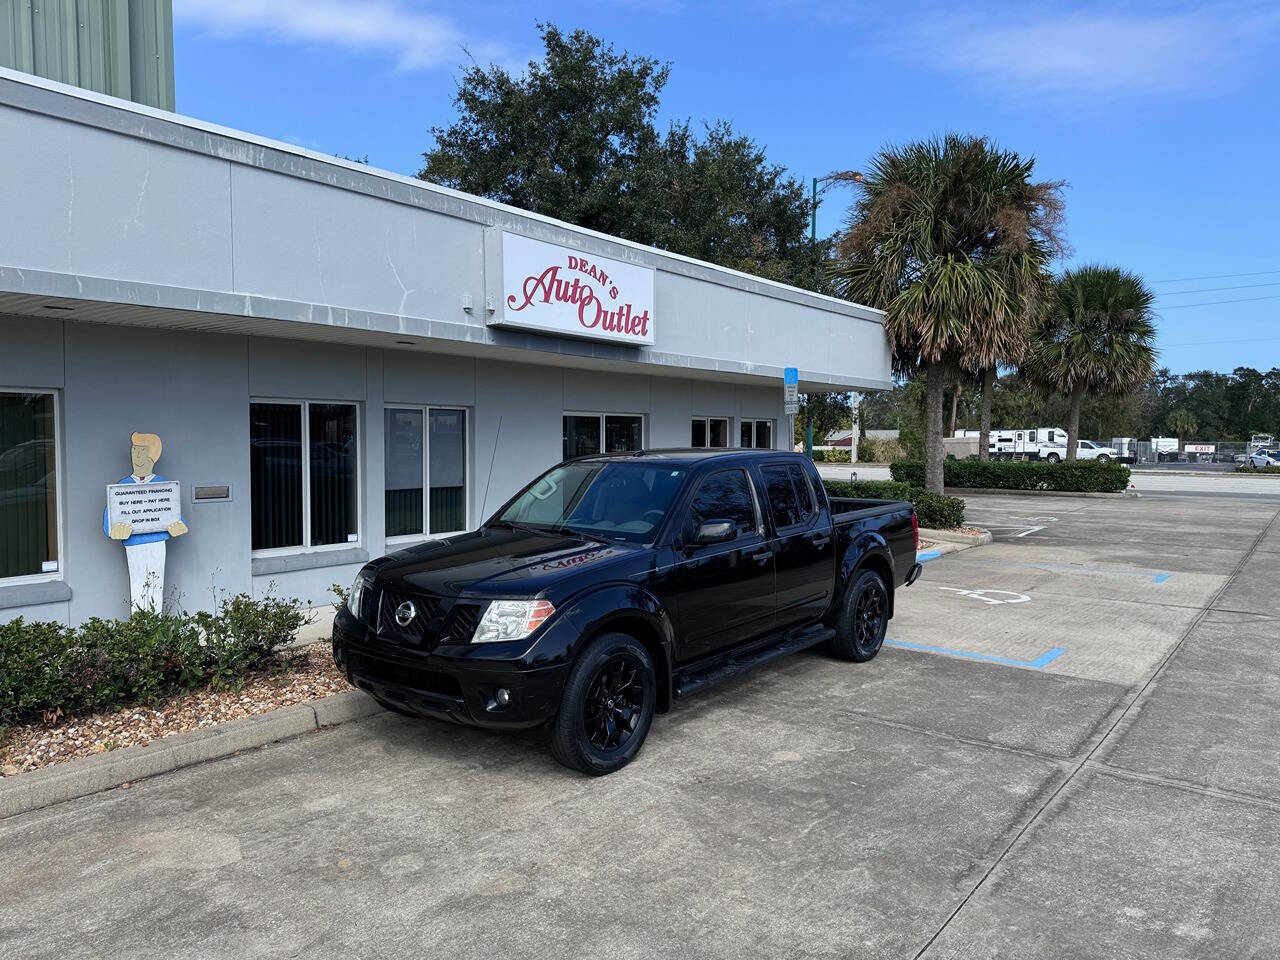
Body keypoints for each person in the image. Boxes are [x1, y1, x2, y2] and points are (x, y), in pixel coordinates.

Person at [104, 432, 187, 611]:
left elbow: (172, 512)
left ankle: (155, 628)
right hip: (134, 545)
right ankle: (140, 629)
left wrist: (178, 526)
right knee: (138, 584)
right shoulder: (122, 486)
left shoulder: (163, 484)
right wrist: (113, 529)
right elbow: (110, 517)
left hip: (157, 543)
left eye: (142, 452)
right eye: (135, 451)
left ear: (153, 457)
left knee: (156, 585)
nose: (137, 457)